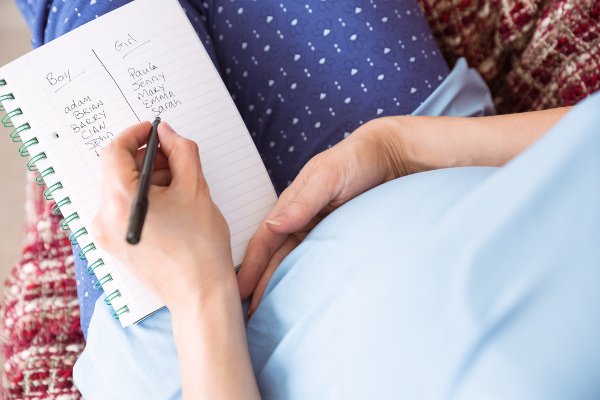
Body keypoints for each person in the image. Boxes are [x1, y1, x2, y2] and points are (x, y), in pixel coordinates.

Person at [16, 0, 600, 399]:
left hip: (190, 347)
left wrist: (200, 292)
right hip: (414, 157)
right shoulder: (401, 147)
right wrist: (399, 146)